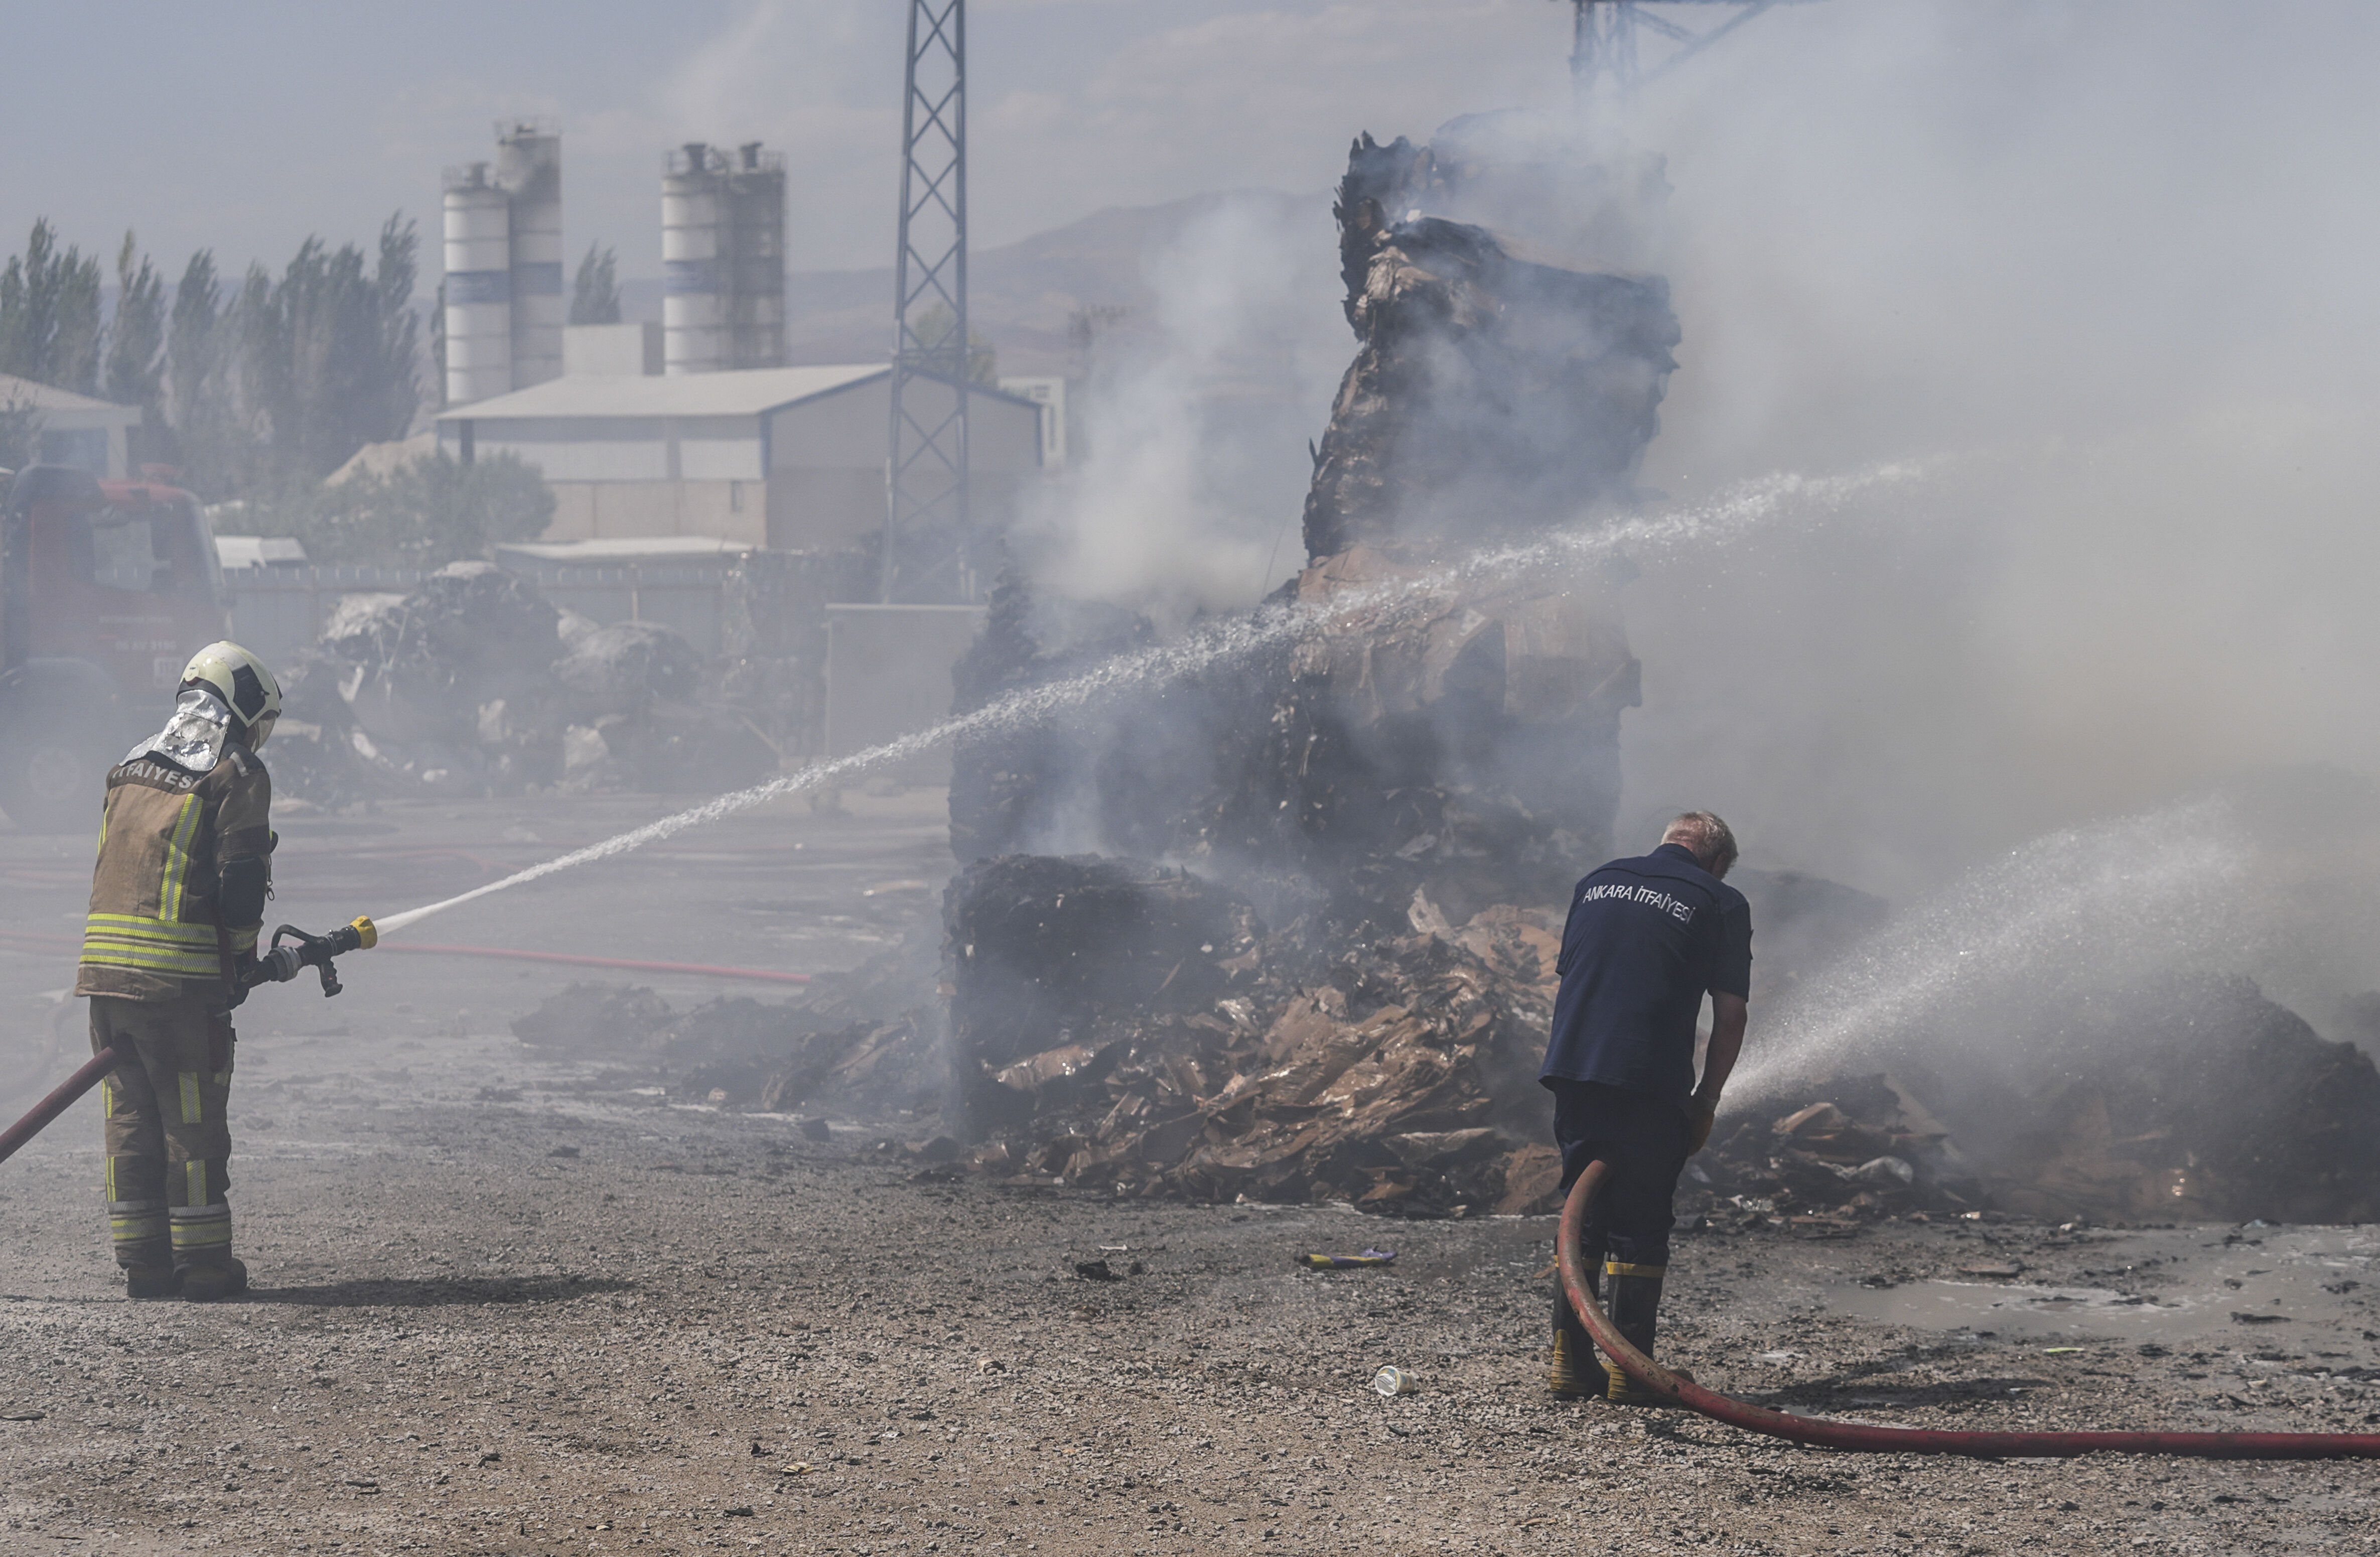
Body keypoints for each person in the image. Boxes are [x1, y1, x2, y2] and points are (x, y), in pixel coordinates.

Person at [74, 642, 281, 1301]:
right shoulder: (234, 769)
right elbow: (242, 883)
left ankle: (144, 1263)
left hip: (105, 976)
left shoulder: (130, 764)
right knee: (191, 1120)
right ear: (245, 705)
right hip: (176, 985)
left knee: (130, 1118)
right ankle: (204, 1267)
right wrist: (242, 960)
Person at [1538, 811, 1751, 1404]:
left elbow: (1584, 975)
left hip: (1574, 1068)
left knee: (1583, 1214)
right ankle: (1632, 1373)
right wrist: (1707, 1100)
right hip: (1649, 1078)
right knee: (1640, 1224)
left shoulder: (1596, 882)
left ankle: (1570, 1364)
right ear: (1716, 861)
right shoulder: (1721, 900)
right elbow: (1731, 1015)